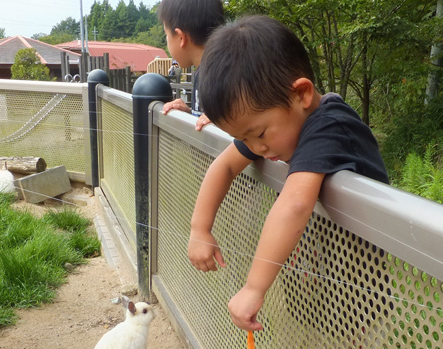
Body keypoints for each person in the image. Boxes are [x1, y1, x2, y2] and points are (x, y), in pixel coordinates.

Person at [188, 15, 390, 331]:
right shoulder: (275, 123)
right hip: (314, 287)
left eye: (260, 134)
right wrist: (200, 228)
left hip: (356, 300)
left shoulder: (329, 126)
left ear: (301, 94)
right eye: (244, 139)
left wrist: (253, 288)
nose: (257, 148)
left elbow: (295, 203)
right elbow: (225, 166)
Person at [157, 0, 223, 130]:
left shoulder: (216, 74)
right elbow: (206, 121)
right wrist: (189, 115)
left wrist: (222, 123)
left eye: (166, 35)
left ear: (181, 38)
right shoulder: (207, 70)